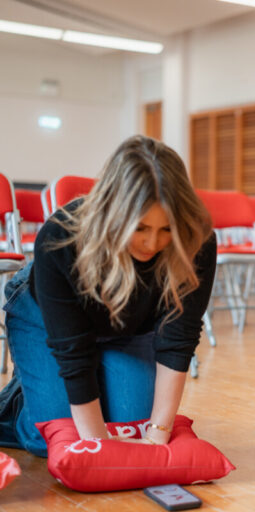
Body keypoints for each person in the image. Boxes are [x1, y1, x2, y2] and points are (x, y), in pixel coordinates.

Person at [0, 135, 216, 457]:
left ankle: (82, 386)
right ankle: (21, 397)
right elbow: (72, 349)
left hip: (125, 328)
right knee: (55, 440)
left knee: (136, 425)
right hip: (46, 320)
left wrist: (157, 435)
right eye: (139, 228)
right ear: (112, 215)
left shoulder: (196, 238)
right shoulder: (61, 236)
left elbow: (179, 337)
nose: (152, 244)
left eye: (166, 229)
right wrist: (98, 447)